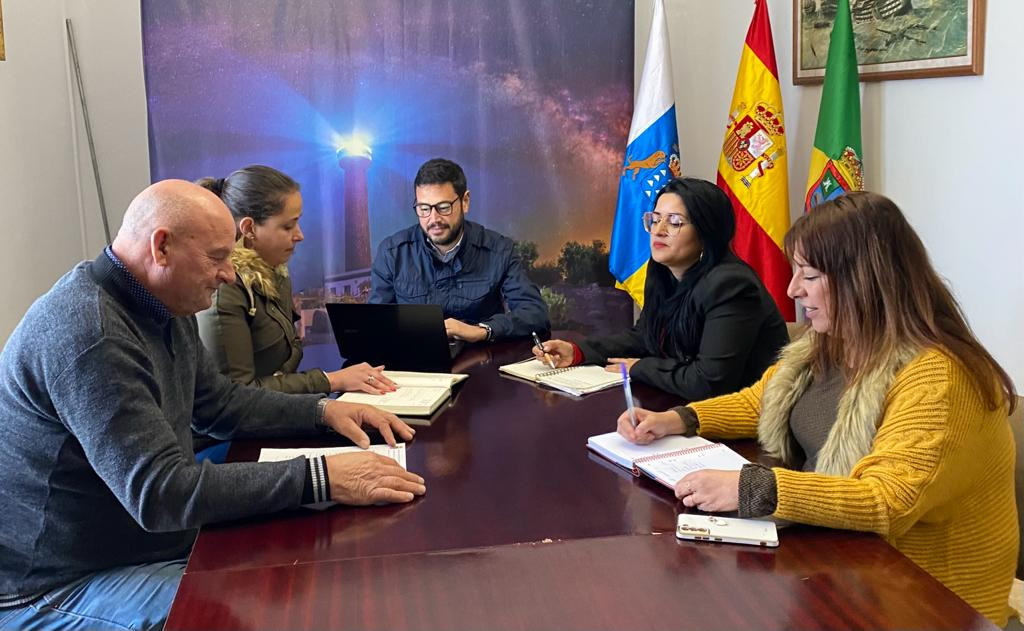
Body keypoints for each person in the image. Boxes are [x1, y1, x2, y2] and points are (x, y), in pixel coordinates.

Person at [0, 180, 426, 630]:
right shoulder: (92, 335)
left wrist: (322, 411)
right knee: (240, 613)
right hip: (55, 583)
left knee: (294, 578)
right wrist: (319, 477)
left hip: (138, 544)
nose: (229, 273)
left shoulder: (161, 302)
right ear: (161, 248)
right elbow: (161, 492)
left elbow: (219, 404)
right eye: (218, 257)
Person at [615, 192, 1018, 625]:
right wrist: (679, 419)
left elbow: (888, 500)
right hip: (838, 564)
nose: (792, 290)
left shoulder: (939, 377)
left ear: (863, 279)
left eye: (809, 275)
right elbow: (762, 401)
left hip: (922, 599)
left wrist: (751, 488)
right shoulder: (832, 341)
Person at [534, 177, 787, 401]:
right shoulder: (662, 272)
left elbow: (709, 383)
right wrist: (578, 352)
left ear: (707, 232)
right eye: (655, 219)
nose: (659, 230)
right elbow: (644, 337)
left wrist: (640, 368)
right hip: (684, 406)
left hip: (747, 421)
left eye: (674, 222)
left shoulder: (731, 285)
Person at [196, 165, 395, 395]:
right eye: (288, 226)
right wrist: (330, 381)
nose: (300, 235)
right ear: (249, 228)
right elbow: (234, 397)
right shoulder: (224, 291)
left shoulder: (276, 273)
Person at [370, 157, 549, 343]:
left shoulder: (500, 250)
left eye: (443, 207)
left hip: (479, 363)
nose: (433, 219)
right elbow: (375, 325)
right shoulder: (391, 253)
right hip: (415, 364)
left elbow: (535, 314)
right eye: (424, 209)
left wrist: (482, 330)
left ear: (465, 201)